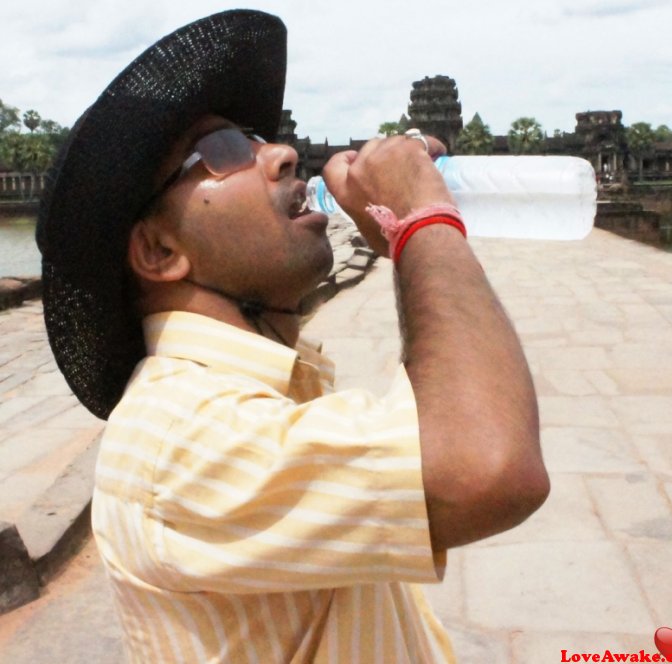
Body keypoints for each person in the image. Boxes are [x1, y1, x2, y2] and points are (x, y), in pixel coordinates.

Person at [36, 9, 549, 663]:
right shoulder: (179, 437)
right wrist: (422, 219)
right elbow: (488, 466)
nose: (280, 154)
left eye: (256, 137)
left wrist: (410, 233)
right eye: (223, 151)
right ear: (161, 251)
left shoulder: (257, 393)